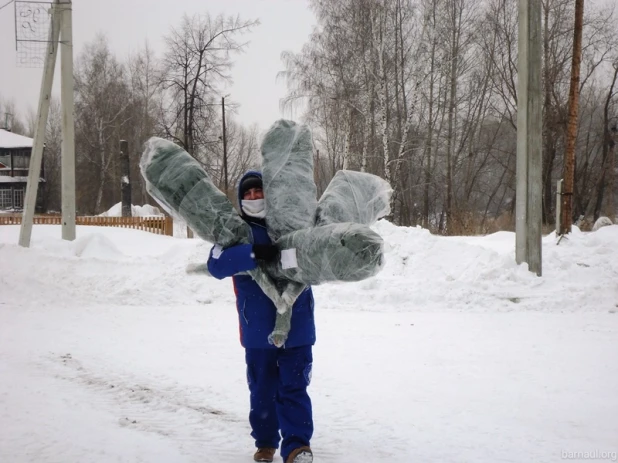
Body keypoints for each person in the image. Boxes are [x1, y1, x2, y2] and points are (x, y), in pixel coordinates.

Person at [207, 171, 316, 463]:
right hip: (257, 328)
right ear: (241, 199)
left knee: (294, 387)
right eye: (249, 194)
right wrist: (252, 252)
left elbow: (318, 255)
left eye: (259, 192)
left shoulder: (291, 223)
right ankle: (266, 442)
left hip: (298, 324)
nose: (254, 197)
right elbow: (215, 264)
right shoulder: (233, 231)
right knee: (263, 389)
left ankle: (296, 447)